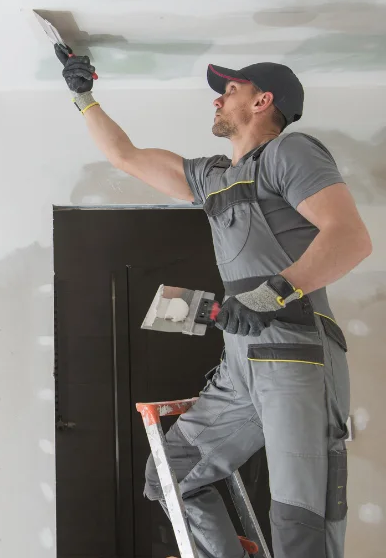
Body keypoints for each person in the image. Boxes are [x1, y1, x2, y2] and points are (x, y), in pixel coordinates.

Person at [56, 45, 373, 558]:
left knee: (300, 518)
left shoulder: (290, 154)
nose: (216, 102)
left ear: (262, 101)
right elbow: (125, 157)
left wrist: (272, 294)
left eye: (228, 91)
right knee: (172, 473)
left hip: (295, 355)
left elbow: (350, 238)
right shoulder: (214, 177)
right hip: (241, 363)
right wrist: (84, 95)